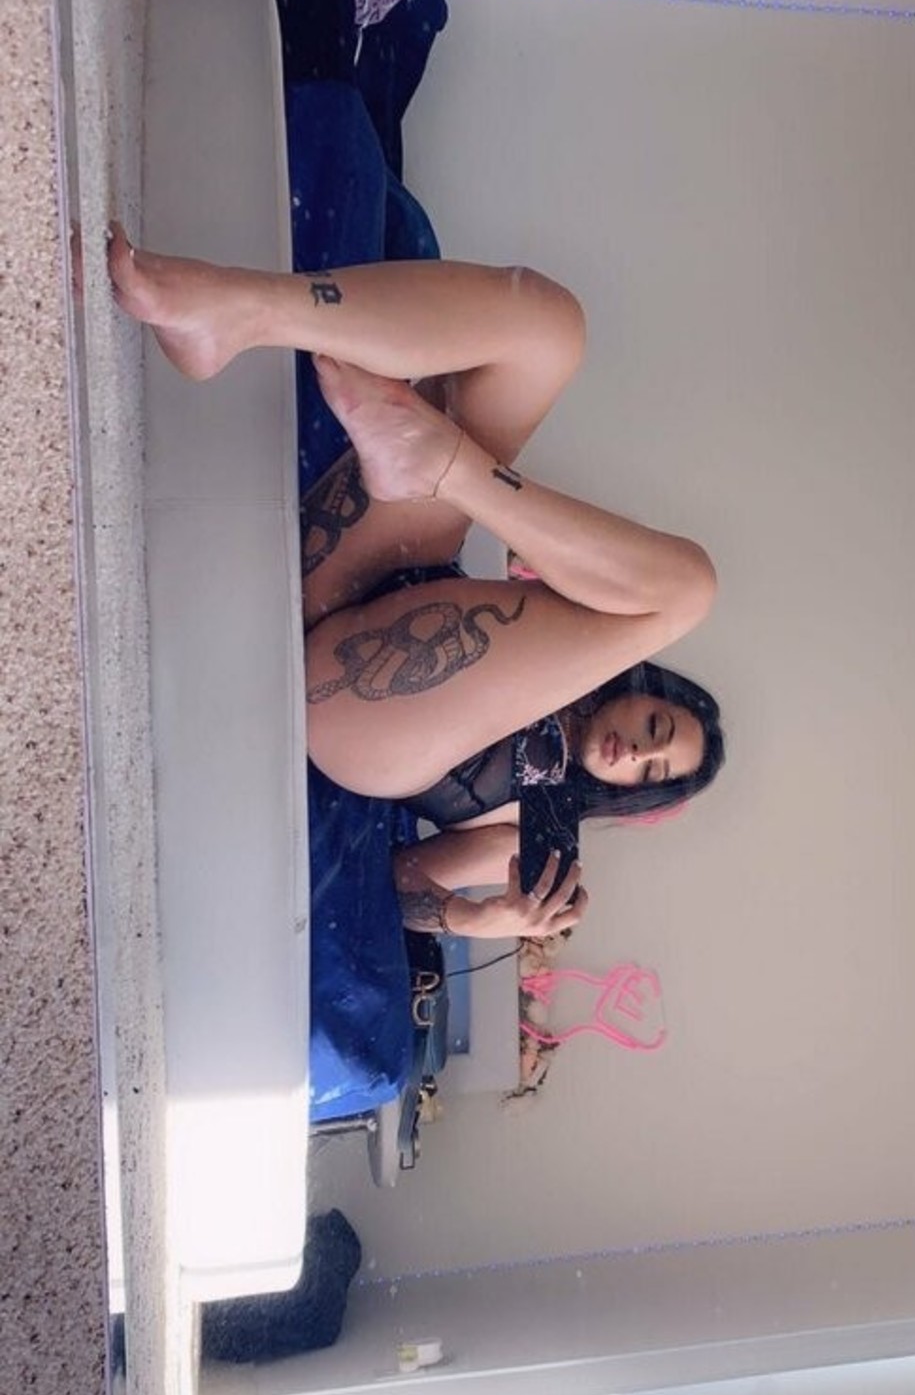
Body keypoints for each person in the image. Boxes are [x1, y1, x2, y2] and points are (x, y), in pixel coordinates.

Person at [107, 226, 724, 941]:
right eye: (656, 728)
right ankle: (242, 311)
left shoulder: (534, 832)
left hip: (347, 714)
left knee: (689, 592)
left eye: (649, 774)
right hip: (356, 577)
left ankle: (445, 465)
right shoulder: (584, 626)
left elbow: (404, 880)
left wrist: (481, 917)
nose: (638, 753)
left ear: (630, 799)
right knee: (551, 329)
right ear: (644, 687)